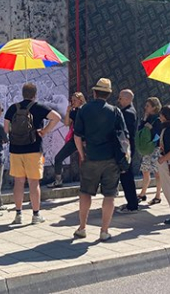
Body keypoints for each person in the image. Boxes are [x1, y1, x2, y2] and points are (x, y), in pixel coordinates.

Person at [73, 78, 125, 241]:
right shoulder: (115, 111)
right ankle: (104, 231)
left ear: (94, 92)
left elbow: (77, 136)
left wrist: (82, 154)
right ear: (108, 94)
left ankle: (82, 228)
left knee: (85, 193)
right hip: (111, 159)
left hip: (91, 157)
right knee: (109, 195)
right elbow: (124, 137)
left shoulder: (83, 110)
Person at [4, 82, 62, 225]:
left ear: (22, 93)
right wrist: (45, 131)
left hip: (16, 150)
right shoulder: (38, 107)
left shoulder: (13, 108)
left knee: (18, 182)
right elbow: (57, 117)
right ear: (35, 94)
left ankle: (18, 214)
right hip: (34, 150)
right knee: (33, 183)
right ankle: (36, 215)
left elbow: (6, 129)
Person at [47, 92, 86, 188]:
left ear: (81, 101)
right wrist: (68, 111)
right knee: (58, 158)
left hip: (87, 139)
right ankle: (58, 180)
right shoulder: (73, 112)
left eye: (74, 101)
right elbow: (67, 123)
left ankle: (91, 180)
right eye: (71, 101)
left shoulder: (86, 110)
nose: (72, 102)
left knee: (87, 160)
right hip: (75, 139)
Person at [116, 89, 140, 214]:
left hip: (126, 148)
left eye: (120, 98)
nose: (118, 100)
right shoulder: (129, 111)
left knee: (126, 176)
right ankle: (131, 201)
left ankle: (132, 204)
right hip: (127, 147)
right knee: (126, 175)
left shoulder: (128, 113)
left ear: (127, 98)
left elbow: (126, 133)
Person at [137, 97, 163, 205]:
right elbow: (140, 130)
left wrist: (151, 129)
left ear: (154, 107)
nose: (145, 107)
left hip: (155, 148)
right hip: (147, 149)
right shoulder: (147, 118)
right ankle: (143, 193)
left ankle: (158, 195)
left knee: (157, 172)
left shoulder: (158, 119)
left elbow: (158, 134)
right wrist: (144, 119)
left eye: (148, 106)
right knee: (145, 170)